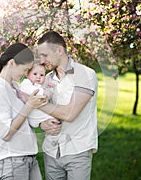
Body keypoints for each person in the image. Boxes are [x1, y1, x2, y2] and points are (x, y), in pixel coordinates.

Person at [37, 31, 98, 180]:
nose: (41, 60)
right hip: (51, 150)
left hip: (77, 150)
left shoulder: (85, 74)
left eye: (44, 55)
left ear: (59, 50)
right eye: (40, 56)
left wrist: (37, 104)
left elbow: (69, 113)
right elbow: (39, 116)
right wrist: (42, 124)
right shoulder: (45, 79)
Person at [0, 43, 47, 180]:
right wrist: (29, 106)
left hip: (29, 157)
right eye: (25, 69)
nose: (26, 74)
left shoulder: (14, 86)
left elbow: (25, 120)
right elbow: (6, 133)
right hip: (14, 161)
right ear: (12, 63)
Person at [20, 61, 55, 128]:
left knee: (54, 121)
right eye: (35, 74)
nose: (38, 77)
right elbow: (34, 91)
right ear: (27, 74)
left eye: (42, 75)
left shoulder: (40, 86)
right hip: (33, 115)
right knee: (54, 120)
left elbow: (47, 96)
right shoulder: (26, 83)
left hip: (41, 114)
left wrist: (49, 88)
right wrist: (45, 91)